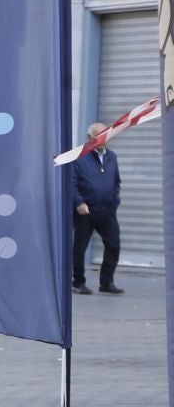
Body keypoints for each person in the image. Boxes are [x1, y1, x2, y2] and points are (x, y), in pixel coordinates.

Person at [71, 122, 123, 296]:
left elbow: (116, 181)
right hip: (85, 211)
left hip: (107, 210)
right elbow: (71, 184)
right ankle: (78, 282)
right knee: (80, 248)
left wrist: (114, 201)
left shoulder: (112, 157)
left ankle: (106, 282)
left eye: (105, 135)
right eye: (99, 136)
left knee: (114, 245)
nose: (103, 139)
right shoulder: (79, 156)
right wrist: (79, 203)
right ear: (89, 138)